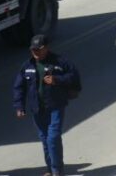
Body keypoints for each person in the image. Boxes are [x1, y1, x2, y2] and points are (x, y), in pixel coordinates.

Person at [13, 34, 81, 176]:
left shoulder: (60, 62)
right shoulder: (27, 66)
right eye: (33, 50)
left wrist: (56, 80)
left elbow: (73, 76)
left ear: (46, 48)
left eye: (38, 49)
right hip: (37, 109)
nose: (35, 53)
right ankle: (50, 169)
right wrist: (19, 106)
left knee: (53, 137)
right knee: (45, 140)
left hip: (55, 106)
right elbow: (19, 87)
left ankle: (57, 170)